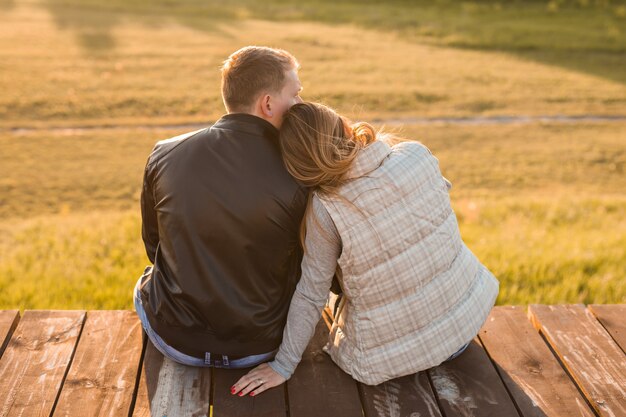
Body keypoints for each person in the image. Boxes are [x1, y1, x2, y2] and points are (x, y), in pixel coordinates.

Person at [232, 102, 499, 395]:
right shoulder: (415, 153)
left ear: (298, 165)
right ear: (346, 127)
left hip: (388, 360)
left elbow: (311, 294)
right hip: (466, 322)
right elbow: (439, 193)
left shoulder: (326, 208)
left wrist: (282, 365)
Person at [133, 46, 307, 370]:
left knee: (146, 279)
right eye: (294, 95)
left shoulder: (164, 153)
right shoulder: (299, 173)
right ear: (267, 104)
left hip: (175, 340)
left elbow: (153, 245)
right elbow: (307, 267)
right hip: (262, 346)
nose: (300, 105)